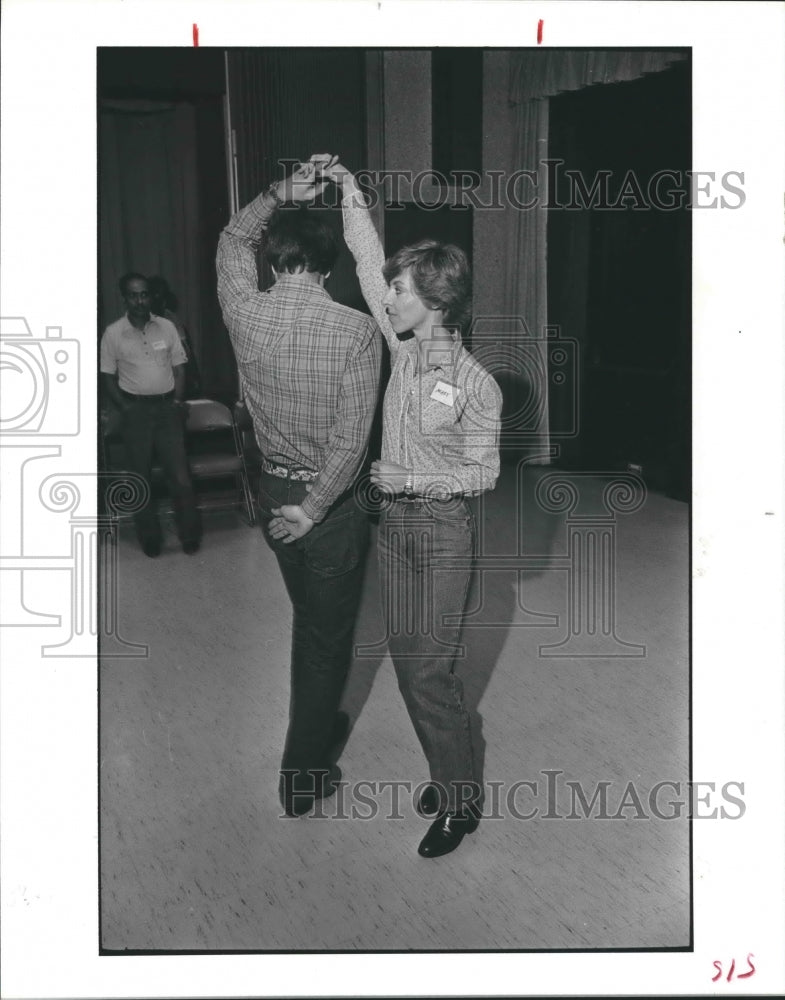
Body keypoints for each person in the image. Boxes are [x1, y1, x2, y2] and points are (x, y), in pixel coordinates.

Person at [318, 155, 503, 859]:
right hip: (393, 534)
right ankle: (448, 765)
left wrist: (410, 477)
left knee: (430, 675)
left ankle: (459, 802)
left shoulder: (476, 384)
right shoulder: (401, 352)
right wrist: (347, 190)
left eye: (398, 289)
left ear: (433, 297)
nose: (386, 296)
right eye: (390, 287)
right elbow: (365, 260)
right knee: (407, 666)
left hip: (443, 534)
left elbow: (481, 474)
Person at [216, 162, 382, 818]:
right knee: (322, 639)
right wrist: (314, 511)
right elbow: (351, 442)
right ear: (328, 266)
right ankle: (302, 776)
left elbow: (232, 240)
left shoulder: (243, 312)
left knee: (309, 625)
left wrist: (276, 195)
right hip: (327, 509)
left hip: (270, 492)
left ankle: (315, 733)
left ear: (278, 260)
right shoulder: (356, 330)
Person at [100, 273, 201, 557]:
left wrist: (177, 401)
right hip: (136, 414)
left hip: (168, 410)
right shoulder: (113, 333)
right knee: (140, 480)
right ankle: (150, 539)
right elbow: (107, 376)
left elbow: (180, 368)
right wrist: (125, 408)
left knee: (180, 478)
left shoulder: (167, 327)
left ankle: (189, 535)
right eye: (134, 295)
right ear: (125, 298)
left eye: (144, 294)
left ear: (150, 296)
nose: (140, 300)